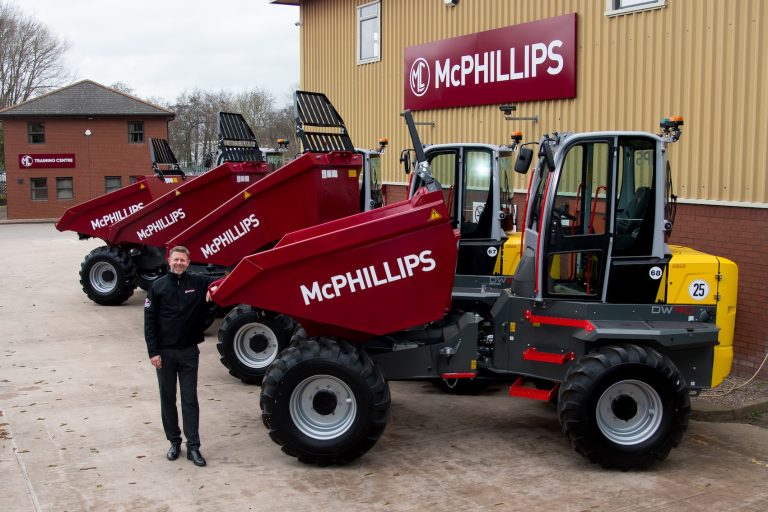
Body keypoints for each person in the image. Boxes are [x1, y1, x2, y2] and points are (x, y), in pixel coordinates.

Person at [144, 246, 218, 467]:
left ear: (188, 262)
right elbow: (149, 323)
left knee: (189, 399)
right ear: (169, 260)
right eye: (175, 259)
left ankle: (193, 447)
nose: (179, 263)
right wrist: (153, 352)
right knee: (167, 399)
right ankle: (174, 442)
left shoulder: (197, 282)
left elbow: (220, 281)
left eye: (183, 260)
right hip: (164, 354)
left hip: (188, 352)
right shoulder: (157, 287)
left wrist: (212, 291)